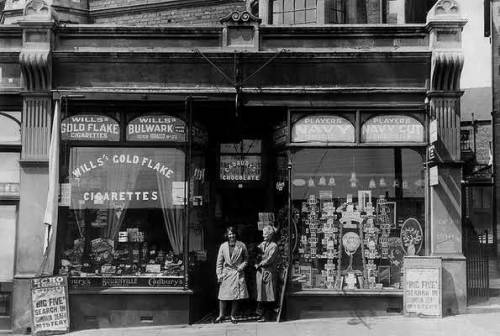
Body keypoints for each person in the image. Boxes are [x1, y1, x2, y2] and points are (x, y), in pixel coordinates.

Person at [215, 226, 249, 323]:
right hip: (226, 273)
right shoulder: (223, 246)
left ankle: (233, 315)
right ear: (227, 235)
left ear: (236, 234)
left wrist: (241, 267)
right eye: (229, 234)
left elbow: (246, 259)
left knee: (235, 296)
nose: (231, 236)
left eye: (233, 234)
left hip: (237, 272)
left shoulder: (241, 245)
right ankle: (221, 315)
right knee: (222, 296)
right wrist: (219, 274)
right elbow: (219, 262)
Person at [254, 225, 279, 322]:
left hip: (269, 272)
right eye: (263, 233)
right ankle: (262, 314)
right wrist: (255, 262)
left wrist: (259, 264)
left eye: (265, 234)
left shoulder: (274, 246)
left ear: (270, 235)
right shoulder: (262, 244)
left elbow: (269, 259)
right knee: (261, 293)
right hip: (261, 272)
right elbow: (256, 254)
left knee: (268, 294)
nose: (263, 235)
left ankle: (268, 316)